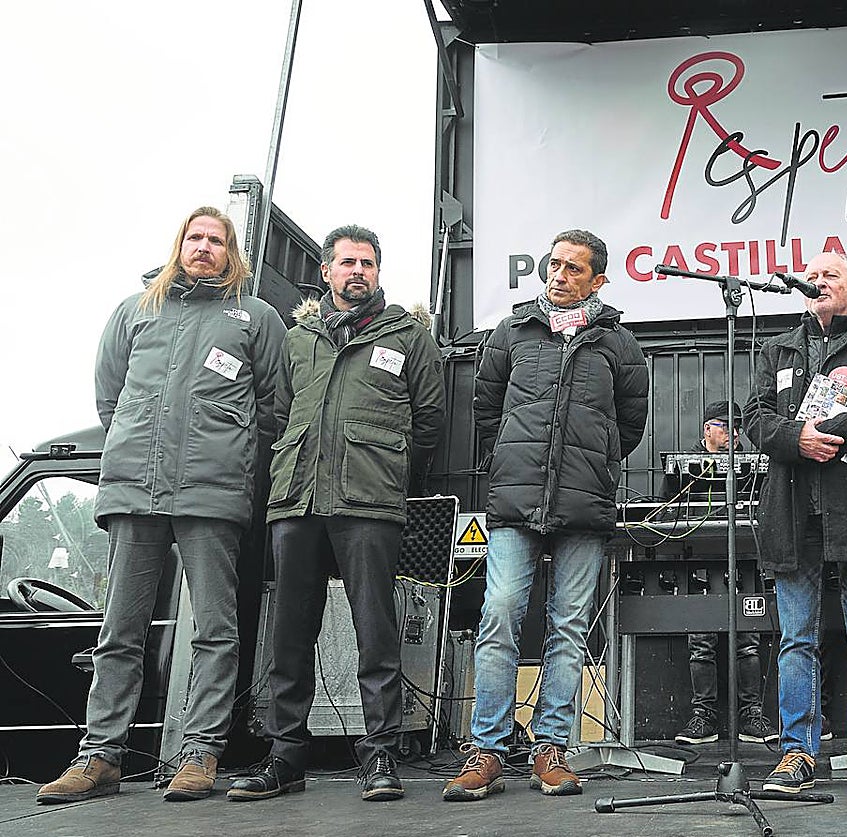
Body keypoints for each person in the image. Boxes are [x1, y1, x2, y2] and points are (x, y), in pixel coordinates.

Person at [37, 207, 287, 804]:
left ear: (232, 253)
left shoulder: (255, 318)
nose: (204, 247)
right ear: (179, 245)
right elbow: (110, 398)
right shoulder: (134, 310)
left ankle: (201, 753)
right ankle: (99, 758)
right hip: (134, 488)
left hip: (212, 492)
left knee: (216, 630)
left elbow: (274, 408)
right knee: (119, 630)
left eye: (216, 239)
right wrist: (140, 443)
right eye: (194, 237)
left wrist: (227, 451)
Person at [227, 224, 446, 803]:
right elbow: (275, 414)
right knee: (289, 635)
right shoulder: (298, 338)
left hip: (369, 503)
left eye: (368, 263)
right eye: (347, 262)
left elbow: (430, 421)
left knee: (376, 633)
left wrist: (388, 471)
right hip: (296, 500)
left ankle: (379, 757)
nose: (358, 271)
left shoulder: (407, 336)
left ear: (379, 272)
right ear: (326, 271)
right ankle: (285, 758)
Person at [443, 229, 649, 801]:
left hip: (585, 503)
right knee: (501, 613)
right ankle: (486, 750)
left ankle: (551, 748)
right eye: (553, 265)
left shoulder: (619, 344)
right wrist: (510, 460)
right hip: (513, 500)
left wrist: (598, 462)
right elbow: (486, 409)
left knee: (568, 626)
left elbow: (629, 423)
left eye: (573, 269)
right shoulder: (511, 333)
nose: (559, 276)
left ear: (598, 279)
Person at [745, 250, 847, 797]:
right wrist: (797, 440)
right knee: (796, 639)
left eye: (830, 274)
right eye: (811, 275)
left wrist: (826, 432)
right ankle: (797, 754)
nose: (818, 281)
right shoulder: (778, 349)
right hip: (792, 511)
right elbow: (756, 420)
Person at [666, 400, 778, 745]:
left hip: (745, 561)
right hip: (699, 564)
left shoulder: (755, 466)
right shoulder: (684, 466)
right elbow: (667, 516)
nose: (733, 433)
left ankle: (752, 716)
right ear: (707, 430)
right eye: (725, 426)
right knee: (701, 642)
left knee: (748, 641)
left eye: (737, 427)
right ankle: (704, 716)